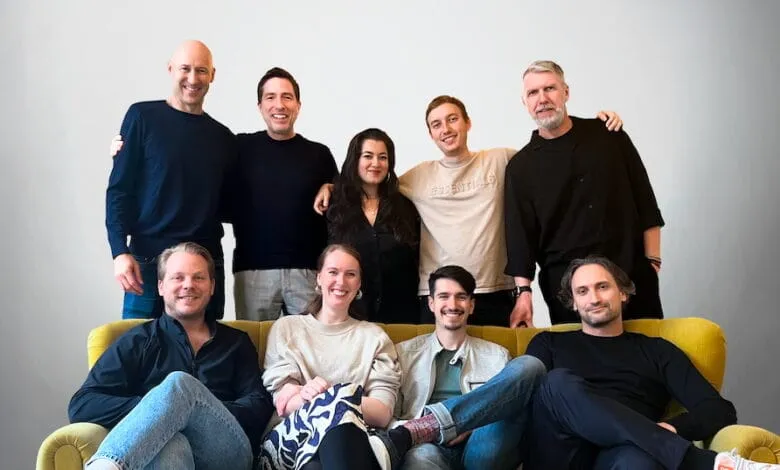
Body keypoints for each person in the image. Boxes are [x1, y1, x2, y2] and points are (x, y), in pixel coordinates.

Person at [315, 96, 623, 327]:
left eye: (452, 120)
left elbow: (546, 156)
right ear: (430, 134)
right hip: (436, 298)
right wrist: (332, 186)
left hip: (494, 293)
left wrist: (590, 128)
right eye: (436, 124)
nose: (445, 129)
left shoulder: (501, 161)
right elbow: (373, 178)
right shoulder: (417, 178)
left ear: (467, 123)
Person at [522, 255, 773, 470]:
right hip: (559, 455)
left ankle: (662, 447)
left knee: (640, 461)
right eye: (582, 291)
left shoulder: (657, 351)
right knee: (556, 383)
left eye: (602, 287)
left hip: (625, 457)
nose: (594, 298)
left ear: (622, 292)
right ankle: (708, 464)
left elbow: (719, 410)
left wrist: (669, 429)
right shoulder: (548, 344)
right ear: (574, 303)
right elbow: (532, 408)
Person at [68, 242, 273, 470]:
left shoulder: (237, 342)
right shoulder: (138, 340)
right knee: (172, 442)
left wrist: (194, 409)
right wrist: (161, 412)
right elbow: (83, 404)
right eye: (178, 277)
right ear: (161, 286)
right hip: (163, 449)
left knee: (179, 385)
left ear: (212, 286)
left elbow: (258, 406)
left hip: (228, 454)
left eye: (199, 278)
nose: (188, 285)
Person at [505, 60, 665, 327]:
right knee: (582, 366)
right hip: (566, 288)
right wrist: (523, 293)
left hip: (631, 274)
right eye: (533, 93)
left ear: (566, 92)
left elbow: (645, 200)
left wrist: (652, 261)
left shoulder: (609, 135)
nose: (542, 99)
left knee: (646, 356)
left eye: (550, 89)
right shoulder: (520, 167)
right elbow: (521, 238)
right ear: (524, 102)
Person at [106, 40, 235, 320]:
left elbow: (235, 203)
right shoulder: (142, 117)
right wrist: (119, 252)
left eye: (201, 70)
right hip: (148, 262)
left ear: (213, 75)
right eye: (185, 69)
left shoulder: (222, 137)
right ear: (170, 69)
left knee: (205, 356)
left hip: (205, 264)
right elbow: (119, 190)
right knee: (141, 352)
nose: (193, 78)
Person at [258, 244, 402, 470]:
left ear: (359, 284)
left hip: (357, 440)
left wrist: (326, 397)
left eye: (350, 274)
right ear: (319, 279)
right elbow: (285, 404)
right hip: (293, 441)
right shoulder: (287, 328)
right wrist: (341, 400)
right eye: (333, 272)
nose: (341, 282)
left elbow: (382, 412)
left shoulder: (374, 337)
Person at [392, 265, 546, 470]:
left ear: (472, 305)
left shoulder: (497, 356)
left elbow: (510, 411)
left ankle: (436, 422)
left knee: (531, 365)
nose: (452, 304)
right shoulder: (404, 354)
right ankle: (429, 427)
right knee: (419, 459)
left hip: (482, 445)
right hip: (428, 446)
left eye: (461, 297)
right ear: (431, 303)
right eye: (444, 296)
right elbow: (389, 416)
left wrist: (468, 425)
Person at [231, 67, 338, 321]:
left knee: (311, 350)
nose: (279, 104)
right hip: (253, 270)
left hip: (308, 271)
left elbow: (344, 202)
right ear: (260, 106)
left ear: (298, 105)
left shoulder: (319, 154)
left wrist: (333, 187)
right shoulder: (239, 148)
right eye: (270, 97)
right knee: (254, 349)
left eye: (287, 97)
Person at [326, 128, 420, 324]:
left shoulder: (406, 206)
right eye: (368, 156)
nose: (376, 164)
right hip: (348, 315)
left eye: (383, 157)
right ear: (355, 160)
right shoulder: (333, 206)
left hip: (400, 315)